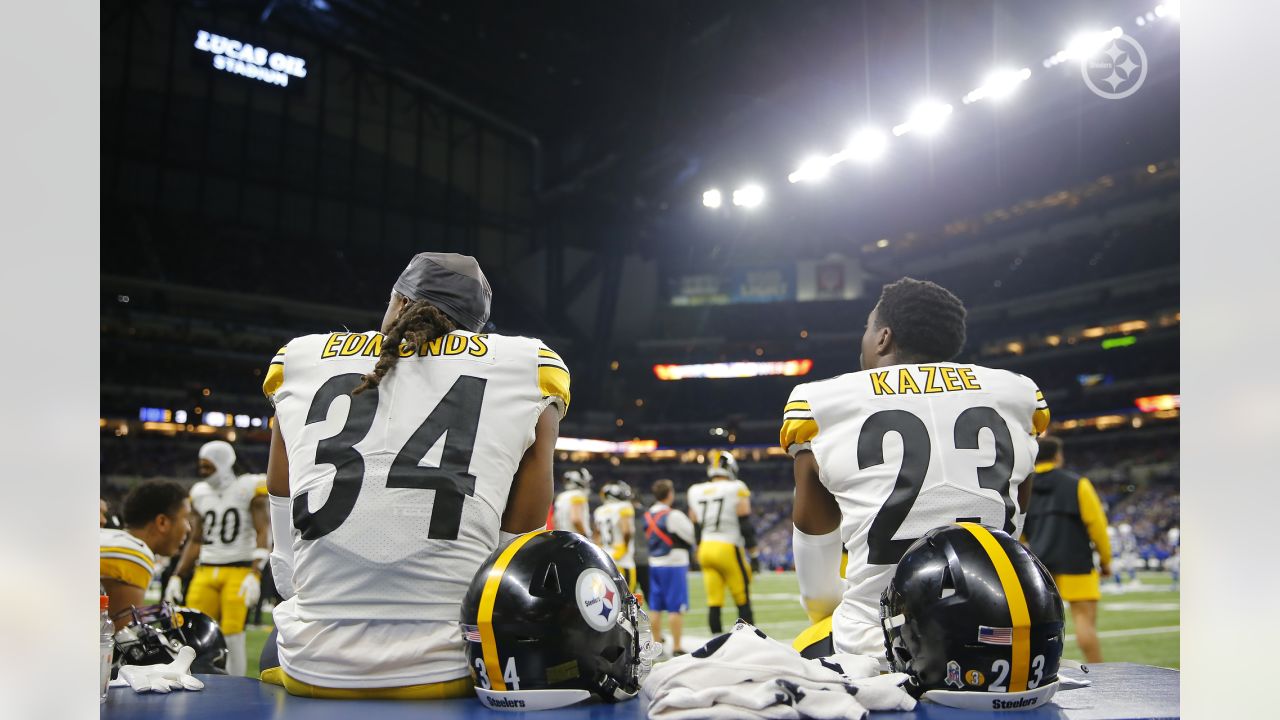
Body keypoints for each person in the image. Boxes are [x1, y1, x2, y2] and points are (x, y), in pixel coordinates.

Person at [258, 251, 568, 699]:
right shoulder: (527, 365)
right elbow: (515, 548)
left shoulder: (300, 357)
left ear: (399, 302)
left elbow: (285, 548)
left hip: (313, 665)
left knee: (272, 648)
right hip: (452, 665)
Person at [784, 277, 1050, 658]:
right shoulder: (1018, 394)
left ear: (883, 338)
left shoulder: (823, 402)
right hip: (997, 639)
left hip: (879, 645)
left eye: (867, 327)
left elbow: (818, 593)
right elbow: (1010, 535)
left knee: (805, 646)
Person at [165, 441, 271, 676]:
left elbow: (264, 531)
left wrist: (256, 572)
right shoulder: (199, 492)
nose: (202, 470)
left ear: (223, 464)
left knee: (233, 633)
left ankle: (237, 688)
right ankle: (189, 679)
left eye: (208, 466)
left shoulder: (248, 487)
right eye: (201, 466)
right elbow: (195, 539)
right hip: (205, 569)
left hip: (239, 569)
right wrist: (177, 575)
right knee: (189, 631)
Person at [1021, 436, 1111, 664]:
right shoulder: (1078, 484)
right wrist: (1106, 560)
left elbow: (1019, 530)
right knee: (1084, 621)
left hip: (1041, 567)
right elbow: (1097, 526)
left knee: (1039, 627)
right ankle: (1099, 675)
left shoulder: (1024, 487)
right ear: (1058, 456)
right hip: (1076, 561)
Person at [100, 480, 192, 630]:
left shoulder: (117, 541)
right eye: (185, 518)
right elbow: (118, 643)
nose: (188, 528)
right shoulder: (133, 553)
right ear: (162, 522)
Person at [687, 449, 756, 633]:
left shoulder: (695, 490)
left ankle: (714, 641)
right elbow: (745, 524)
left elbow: (695, 524)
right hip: (727, 546)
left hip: (705, 548)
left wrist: (698, 548)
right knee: (742, 596)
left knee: (714, 599)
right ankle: (751, 639)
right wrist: (754, 553)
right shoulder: (737, 487)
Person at [644, 479, 695, 655]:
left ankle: (656, 644)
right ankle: (677, 646)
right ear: (670, 494)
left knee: (655, 606)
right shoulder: (673, 515)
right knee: (675, 607)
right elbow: (690, 535)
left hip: (655, 563)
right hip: (674, 563)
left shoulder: (648, 514)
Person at [593, 482, 637, 591]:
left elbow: (597, 535)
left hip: (606, 559)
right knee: (627, 600)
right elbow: (626, 531)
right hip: (622, 560)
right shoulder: (624, 507)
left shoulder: (599, 511)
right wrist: (624, 547)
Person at [553, 468, 593, 536]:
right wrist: (585, 535)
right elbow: (576, 519)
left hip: (563, 538)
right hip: (576, 540)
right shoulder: (578, 495)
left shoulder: (561, 497)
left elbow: (554, 520)